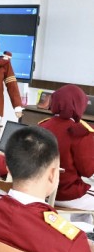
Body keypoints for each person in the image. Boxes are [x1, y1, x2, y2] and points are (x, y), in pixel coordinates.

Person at [39, 85, 94, 221]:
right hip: (66, 194)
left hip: (42, 191)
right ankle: (85, 235)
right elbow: (88, 171)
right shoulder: (79, 132)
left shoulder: (41, 126)